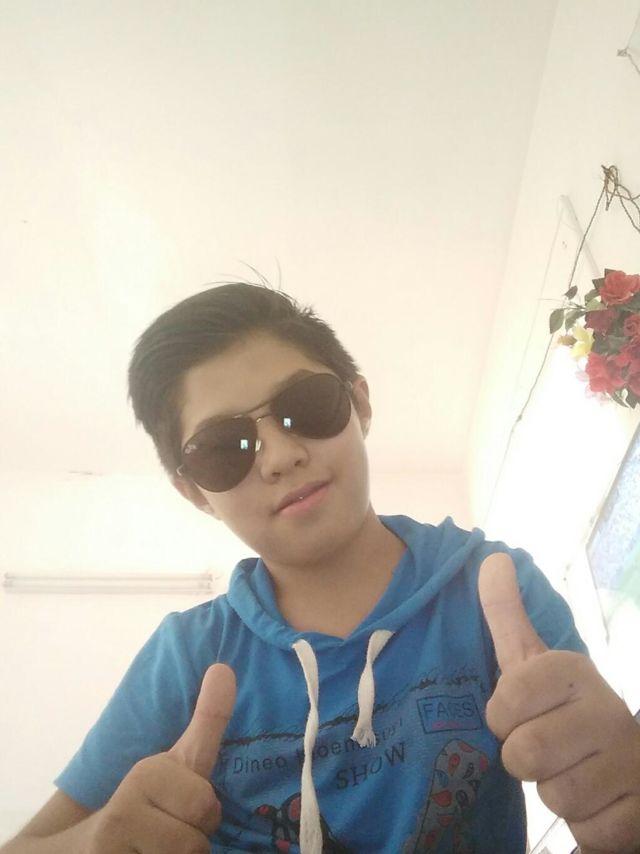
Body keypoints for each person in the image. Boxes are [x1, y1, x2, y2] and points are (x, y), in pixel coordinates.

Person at [3, 282, 639, 854]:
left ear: (359, 403)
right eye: (225, 448)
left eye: (305, 405)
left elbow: (602, 782)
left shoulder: (494, 592)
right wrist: (94, 843)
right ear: (195, 493)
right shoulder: (187, 655)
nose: (280, 456)